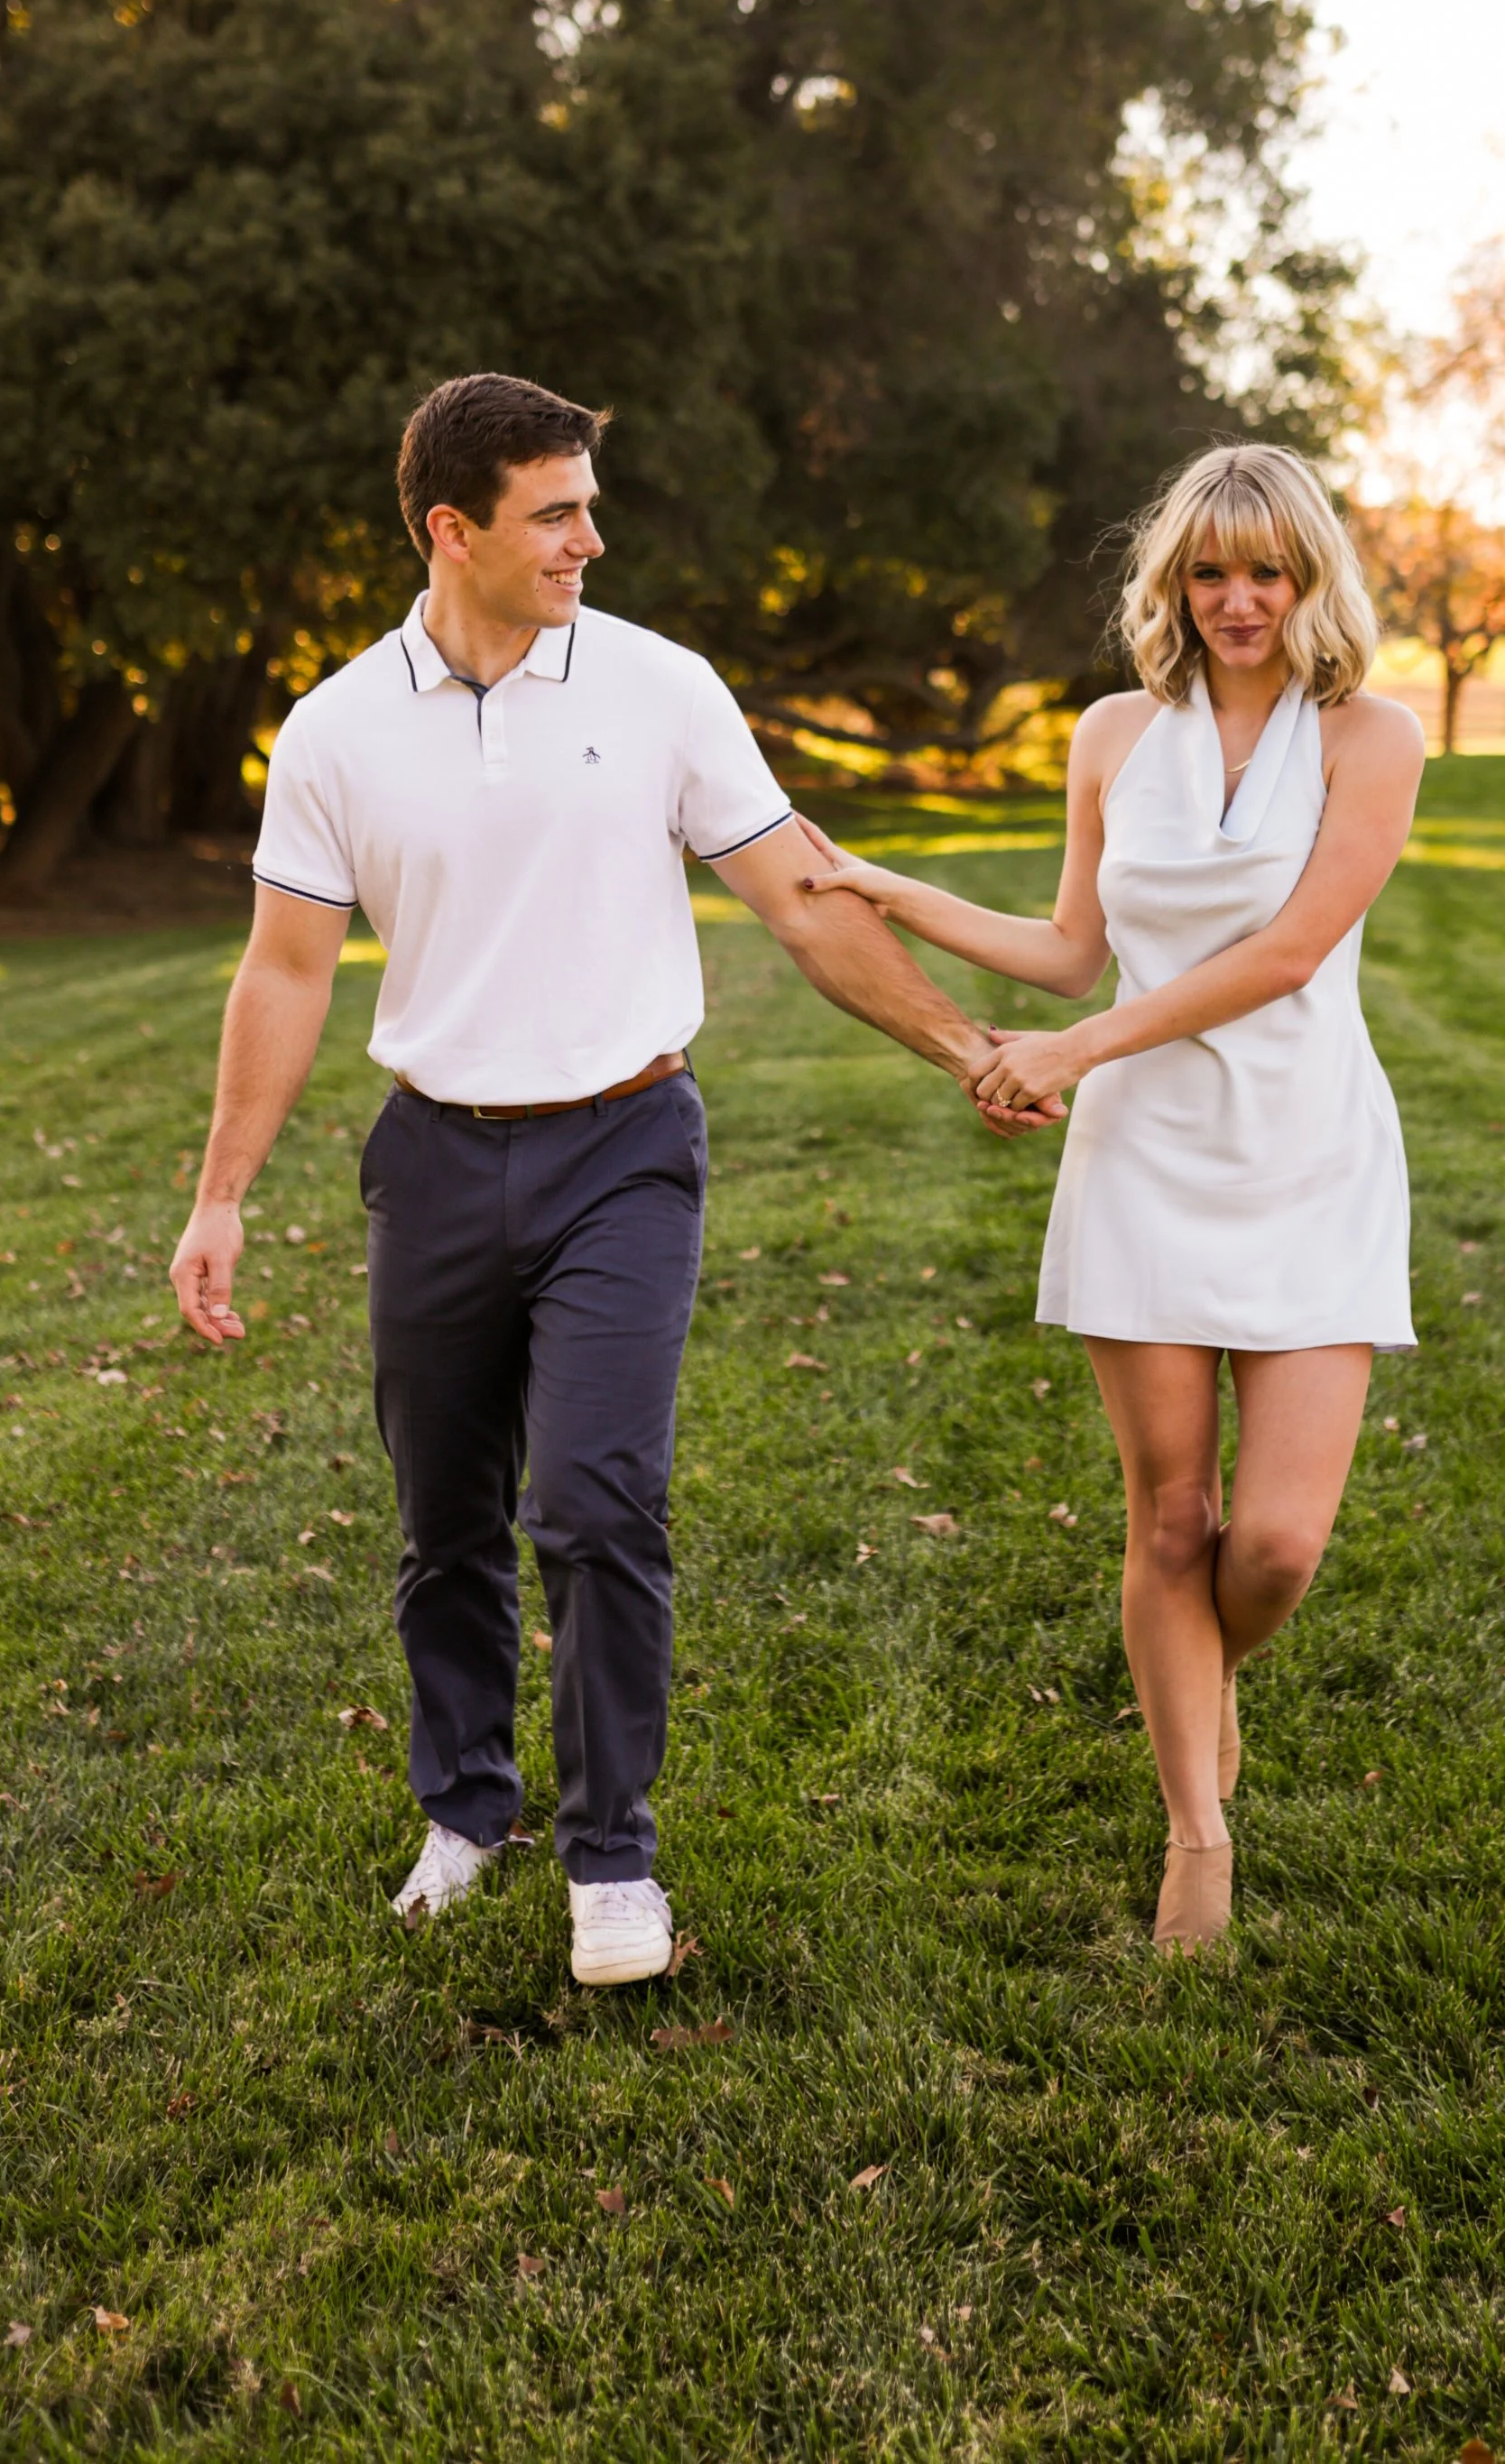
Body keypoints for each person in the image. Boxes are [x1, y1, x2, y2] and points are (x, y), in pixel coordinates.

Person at [168, 372, 1035, 1989]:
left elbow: (800, 894)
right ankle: (465, 1809)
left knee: (594, 1499)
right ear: (454, 529)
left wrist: (959, 1040)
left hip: (625, 1148)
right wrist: (221, 1193)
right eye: (555, 512)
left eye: (586, 502)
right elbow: (286, 970)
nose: (591, 537)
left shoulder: (661, 688)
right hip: (432, 1160)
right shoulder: (339, 726)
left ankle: (612, 1856)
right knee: (443, 1525)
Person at [803, 441, 1422, 1953]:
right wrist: (897, 891)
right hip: (1141, 1155)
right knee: (1171, 1521)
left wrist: (1079, 1049)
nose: (1237, 600)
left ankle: (1211, 1682)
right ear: (1174, 581)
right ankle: (1194, 1830)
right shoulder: (1111, 735)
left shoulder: (1374, 737)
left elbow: (1281, 956)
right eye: (1209, 572)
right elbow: (1076, 944)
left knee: (1272, 1544)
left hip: (1308, 1150)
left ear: (1310, 577)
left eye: (1265, 570)